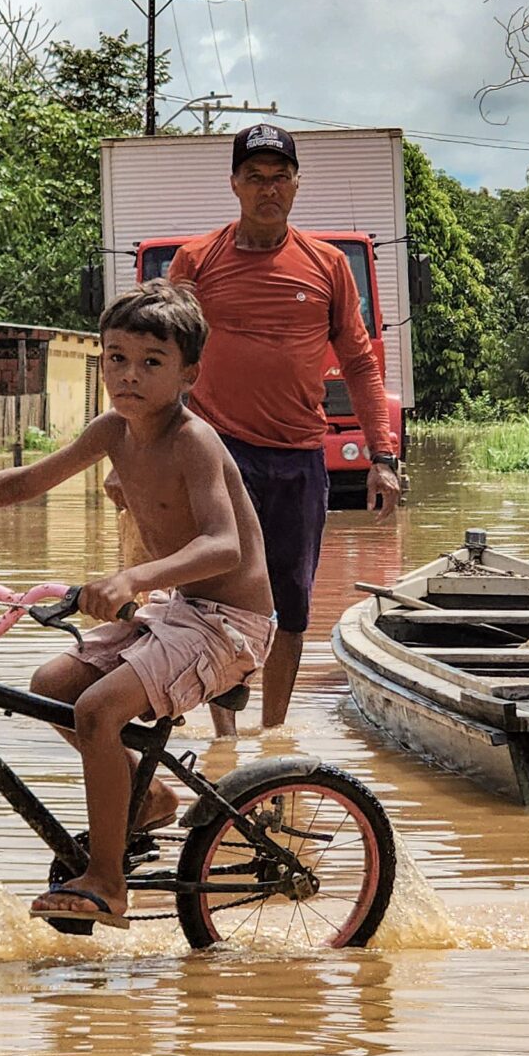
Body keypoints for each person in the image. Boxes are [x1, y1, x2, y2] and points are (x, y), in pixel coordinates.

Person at [0, 279, 275, 930]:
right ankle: (148, 799)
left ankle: (109, 883)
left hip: (229, 624)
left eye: (151, 361)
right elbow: (29, 479)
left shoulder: (191, 439)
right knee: (52, 683)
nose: (129, 374)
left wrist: (131, 578)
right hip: (178, 610)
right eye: (115, 357)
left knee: (96, 711)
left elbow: (224, 545)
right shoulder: (113, 430)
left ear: (188, 375)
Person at [165, 123, 401, 734]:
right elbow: (163, 354)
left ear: (296, 185)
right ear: (235, 184)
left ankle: (272, 738)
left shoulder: (326, 265)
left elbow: (359, 362)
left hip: (299, 457)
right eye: (255, 177)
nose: (268, 189)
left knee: (291, 603)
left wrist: (383, 455)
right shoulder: (197, 261)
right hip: (216, 452)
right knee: (212, 597)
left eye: (280, 177)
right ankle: (225, 743)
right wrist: (139, 453)